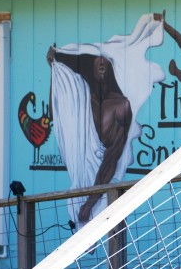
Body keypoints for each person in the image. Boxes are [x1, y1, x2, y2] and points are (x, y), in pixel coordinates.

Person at [47, 46, 132, 222]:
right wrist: (55, 71)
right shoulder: (81, 99)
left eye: (105, 63)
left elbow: (111, 160)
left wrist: (89, 203)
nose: (101, 64)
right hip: (79, 185)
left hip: (103, 191)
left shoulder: (121, 106)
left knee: (109, 230)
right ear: (90, 70)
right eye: (97, 62)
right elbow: (57, 115)